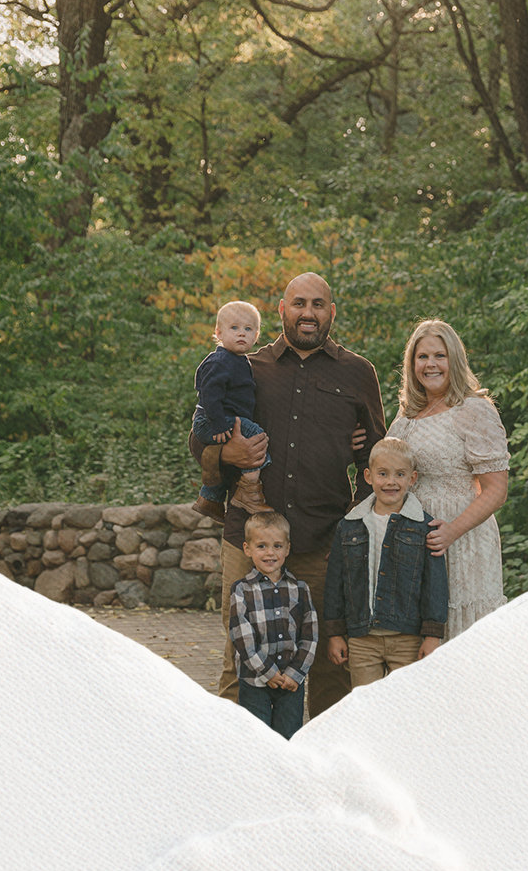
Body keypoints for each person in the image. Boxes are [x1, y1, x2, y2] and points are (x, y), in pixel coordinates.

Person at [193, 271, 385, 717]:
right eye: (298, 303)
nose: (308, 313)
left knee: (329, 661)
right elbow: (200, 437)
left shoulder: (358, 373)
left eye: (318, 304)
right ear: (281, 310)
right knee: (240, 658)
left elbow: (375, 459)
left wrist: (355, 522)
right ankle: (239, 766)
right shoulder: (246, 366)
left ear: (331, 312)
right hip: (250, 534)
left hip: (323, 541)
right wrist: (229, 454)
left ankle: (319, 771)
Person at [389, 319, 510, 639]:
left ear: (454, 359)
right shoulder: (408, 414)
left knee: (460, 635)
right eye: (422, 357)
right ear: (411, 363)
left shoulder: (473, 409)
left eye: (439, 356)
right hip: (415, 537)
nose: (430, 364)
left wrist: (451, 531)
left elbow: (496, 490)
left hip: (462, 536)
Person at [321, 436, 448, 687]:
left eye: (400, 474)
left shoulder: (425, 527)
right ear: (368, 476)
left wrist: (432, 636)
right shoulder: (349, 526)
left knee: (405, 707)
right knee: (366, 708)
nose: (391, 481)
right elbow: (335, 583)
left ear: (412, 479)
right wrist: (335, 633)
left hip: (407, 638)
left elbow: (435, 584)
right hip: (362, 639)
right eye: (383, 474)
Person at [227, 510, 318, 740]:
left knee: (288, 737)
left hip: (290, 682)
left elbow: (310, 636)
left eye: (277, 546)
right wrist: (268, 672)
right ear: (247, 549)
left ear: (287, 549)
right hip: (254, 680)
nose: (270, 553)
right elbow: (242, 637)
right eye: (262, 546)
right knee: (257, 739)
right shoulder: (241, 590)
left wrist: (296, 673)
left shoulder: (299, 588)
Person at [193, 300, 271, 521]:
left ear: (256, 335)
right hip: (213, 419)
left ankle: (210, 499)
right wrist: (218, 424)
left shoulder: (240, 361)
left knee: (228, 462)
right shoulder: (220, 361)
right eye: (234, 328)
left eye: (248, 329)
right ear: (218, 332)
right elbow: (208, 394)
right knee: (257, 437)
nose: (241, 334)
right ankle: (249, 490)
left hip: (225, 418)